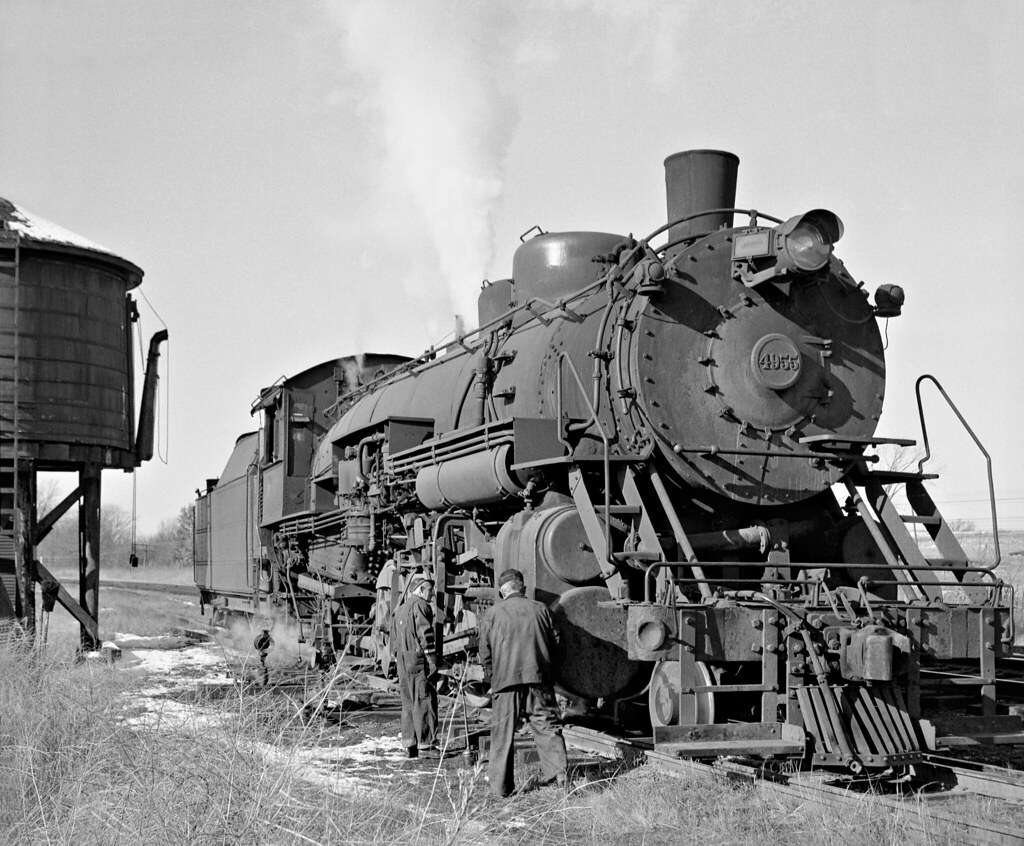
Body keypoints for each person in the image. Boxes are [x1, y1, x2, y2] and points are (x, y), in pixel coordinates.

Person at [478, 568, 568, 796]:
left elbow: (485, 652)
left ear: (502, 591)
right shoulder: (541, 610)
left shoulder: (493, 614)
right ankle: (561, 777)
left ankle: (501, 788)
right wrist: (549, 672)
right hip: (538, 679)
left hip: (505, 682)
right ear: (523, 588)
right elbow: (558, 645)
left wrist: (491, 675)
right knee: (548, 726)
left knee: (502, 733)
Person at [390, 574, 439, 758]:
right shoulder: (421, 605)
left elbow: (394, 639)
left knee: (408, 702)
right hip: (417, 659)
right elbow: (424, 633)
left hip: (403, 659)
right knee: (424, 700)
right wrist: (432, 658)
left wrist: (396, 657)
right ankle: (427, 745)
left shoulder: (401, 608)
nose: (432, 594)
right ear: (421, 590)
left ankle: (409, 744)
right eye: (430, 589)